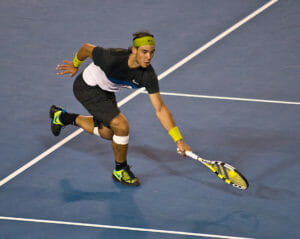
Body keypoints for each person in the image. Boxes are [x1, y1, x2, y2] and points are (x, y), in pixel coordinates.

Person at [52, 31, 191, 186]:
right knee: (121, 125)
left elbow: (160, 109)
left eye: (152, 52)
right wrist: (74, 65)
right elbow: (86, 48)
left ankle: (62, 117)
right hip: (87, 87)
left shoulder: (148, 75)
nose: (148, 57)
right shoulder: (112, 59)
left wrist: (179, 140)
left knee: (108, 133)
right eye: (144, 52)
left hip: (106, 90)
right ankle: (120, 169)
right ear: (134, 50)